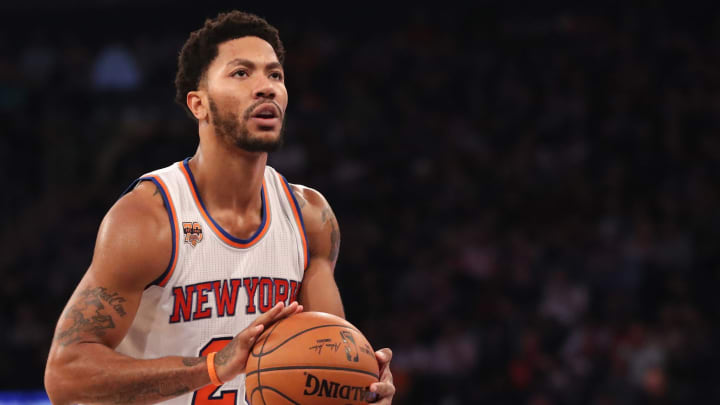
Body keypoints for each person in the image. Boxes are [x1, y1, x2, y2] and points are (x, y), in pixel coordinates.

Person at [44, 11, 395, 405]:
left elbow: (327, 356)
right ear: (199, 104)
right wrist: (212, 368)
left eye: (275, 75)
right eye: (241, 73)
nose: (266, 88)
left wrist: (362, 385)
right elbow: (65, 375)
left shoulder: (311, 216)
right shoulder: (149, 217)